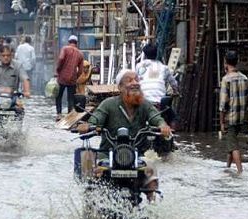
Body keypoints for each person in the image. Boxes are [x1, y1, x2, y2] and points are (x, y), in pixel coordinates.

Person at [78, 70, 171, 200]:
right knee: (92, 171)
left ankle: (153, 207)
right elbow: (96, 118)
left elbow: (156, 117)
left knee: (150, 169)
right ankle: (90, 206)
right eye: (129, 80)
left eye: (136, 80)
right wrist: (87, 126)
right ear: (120, 87)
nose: (135, 83)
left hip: (137, 155)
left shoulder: (144, 104)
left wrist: (163, 126)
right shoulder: (108, 104)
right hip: (108, 154)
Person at [219, 50, 248, 175]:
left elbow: (223, 104)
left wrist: (221, 122)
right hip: (241, 117)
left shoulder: (226, 79)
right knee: (231, 143)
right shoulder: (244, 78)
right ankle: (227, 167)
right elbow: (247, 99)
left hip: (230, 118)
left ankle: (239, 171)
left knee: (233, 145)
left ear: (225, 62)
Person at [55, 35, 84, 120]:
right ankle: (70, 114)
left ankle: (59, 114)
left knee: (58, 96)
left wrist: (58, 70)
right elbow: (81, 70)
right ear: (76, 43)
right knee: (70, 98)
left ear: (69, 42)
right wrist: (76, 78)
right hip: (72, 79)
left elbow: (61, 58)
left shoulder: (65, 49)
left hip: (62, 78)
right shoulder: (80, 54)